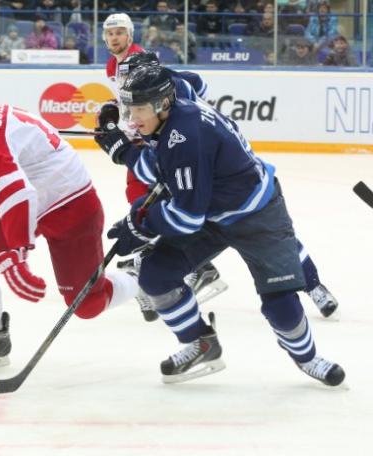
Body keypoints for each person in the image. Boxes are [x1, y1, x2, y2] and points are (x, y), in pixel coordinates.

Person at [93, 64, 345, 387]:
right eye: (129, 108)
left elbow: (186, 216)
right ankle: (201, 343)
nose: (132, 118)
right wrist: (123, 150)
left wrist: (143, 224)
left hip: (256, 214)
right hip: (210, 208)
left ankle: (308, 358)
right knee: (155, 275)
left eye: (138, 109)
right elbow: (167, 166)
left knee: (281, 305)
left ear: (161, 104)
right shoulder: (176, 99)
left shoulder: (184, 137)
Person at [0, 70, 140, 368]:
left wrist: (17, 251)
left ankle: (141, 280)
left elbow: (16, 191)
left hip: (69, 203)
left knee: (87, 304)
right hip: (33, 198)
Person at [111, 51, 340, 320]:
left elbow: (165, 150)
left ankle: (312, 284)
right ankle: (198, 269)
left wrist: (125, 149)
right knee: (197, 219)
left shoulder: (175, 101)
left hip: (213, 162)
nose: (125, 82)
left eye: (130, 75)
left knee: (265, 232)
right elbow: (197, 85)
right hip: (199, 162)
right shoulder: (163, 89)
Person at [103, 15, 227, 321]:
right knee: (143, 195)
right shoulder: (112, 66)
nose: (115, 38)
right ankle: (181, 262)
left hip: (151, 140)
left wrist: (124, 133)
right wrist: (113, 113)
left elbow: (152, 102)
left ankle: (188, 265)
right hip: (141, 135)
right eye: (110, 33)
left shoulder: (137, 60)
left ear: (130, 34)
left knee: (145, 196)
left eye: (120, 33)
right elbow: (129, 103)